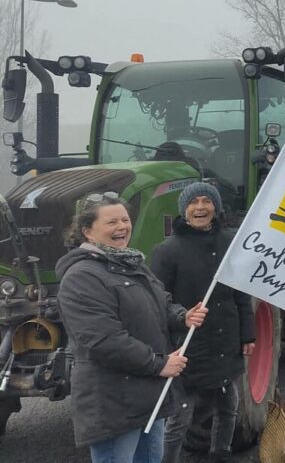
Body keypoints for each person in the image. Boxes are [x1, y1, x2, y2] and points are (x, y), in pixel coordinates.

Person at [55, 192, 207, 463]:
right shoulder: (81, 277)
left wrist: (182, 317)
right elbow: (104, 340)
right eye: (111, 222)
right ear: (87, 231)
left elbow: (161, 302)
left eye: (125, 220)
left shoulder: (130, 264)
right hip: (114, 404)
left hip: (148, 396)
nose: (122, 227)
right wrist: (158, 364)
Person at [150, 182, 255, 463]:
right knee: (179, 416)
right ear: (184, 210)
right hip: (188, 344)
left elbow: (241, 295)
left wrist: (248, 334)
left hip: (226, 338)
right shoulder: (167, 251)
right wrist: (179, 322)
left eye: (206, 201)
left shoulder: (230, 243)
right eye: (193, 202)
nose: (200, 207)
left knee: (228, 404)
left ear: (216, 207)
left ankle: (220, 454)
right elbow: (158, 300)